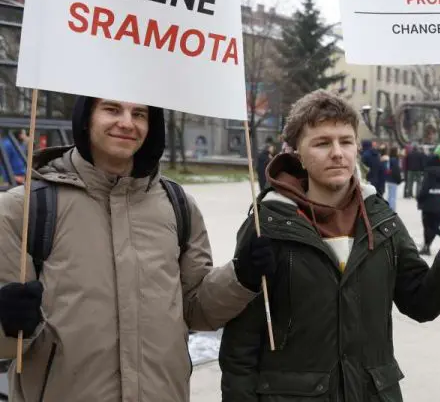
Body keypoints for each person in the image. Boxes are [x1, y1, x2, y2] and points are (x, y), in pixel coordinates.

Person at [0, 97, 269, 402]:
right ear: (86, 118)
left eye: (139, 113)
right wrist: (7, 322)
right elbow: (7, 347)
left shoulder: (178, 205)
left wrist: (241, 276)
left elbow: (197, 311)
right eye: (112, 109)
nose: (127, 123)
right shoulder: (23, 209)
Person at [218, 90, 440, 402]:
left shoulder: (380, 219)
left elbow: (420, 303)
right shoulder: (268, 224)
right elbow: (240, 345)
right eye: (323, 143)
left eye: (346, 141)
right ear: (298, 154)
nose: (337, 152)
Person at [417, 151, 440, 256]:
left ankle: (427, 246)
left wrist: (419, 198)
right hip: (439, 203)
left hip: (428, 204)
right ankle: (428, 245)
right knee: (434, 226)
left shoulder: (428, 173)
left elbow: (424, 189)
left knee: (427, 226)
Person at [384, 146, 403, 211]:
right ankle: (391, 209)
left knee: (389, 195)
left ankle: (388, 208)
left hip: (389, 179)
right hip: (393, 180)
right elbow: (396, 171)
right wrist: (399, 179)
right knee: (393, 196)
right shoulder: (394, 160)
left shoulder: (389, 159)